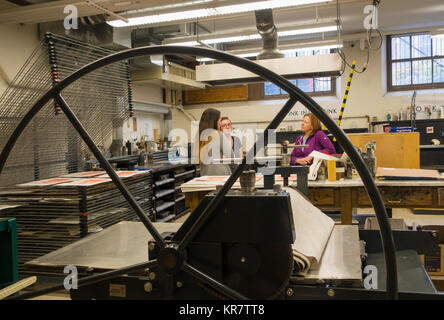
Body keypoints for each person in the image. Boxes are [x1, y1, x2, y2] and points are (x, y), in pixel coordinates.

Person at [194, 108, 232, 176]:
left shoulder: (198, 137)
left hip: (205, 174)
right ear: (214, 121)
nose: (220, 123)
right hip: (220, 173)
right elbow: (231, 155)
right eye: (220, 120)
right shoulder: (219, 134)